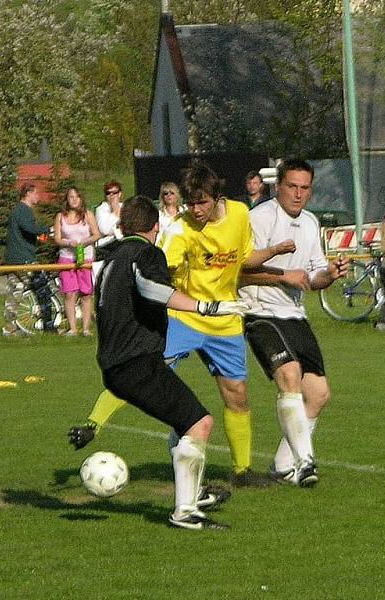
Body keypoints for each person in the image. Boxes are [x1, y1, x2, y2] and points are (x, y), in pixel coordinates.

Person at [69, 162, 295, 487]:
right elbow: (155, 272)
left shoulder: (240, 215)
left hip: (225, 320)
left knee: (237, 396)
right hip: (186, 317)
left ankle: (242, 472)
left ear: (217, 196)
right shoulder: (179, 230)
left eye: (202, 202)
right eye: (190, 203)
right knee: (142, 370)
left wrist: (273, 252)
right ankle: (94, 423)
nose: (196, 209)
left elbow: (244, 258)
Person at [94, 195, 246, 530]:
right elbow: (152, 289)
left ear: (122, 226)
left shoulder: (111, 259)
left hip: (115, 365)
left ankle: (193, 491)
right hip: (137, 363)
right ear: (155, 227)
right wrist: (207, 307)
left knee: (184, 422)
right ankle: (184, 512)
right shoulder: (146, 253)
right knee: (200, 424)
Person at [238, 158, 349, 487]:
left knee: (318, 394)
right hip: (259, 312)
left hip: (295, 315)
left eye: (305, 188)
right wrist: (284, 277)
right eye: (292, 187)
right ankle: (305, 461)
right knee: (289, 375)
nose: (298, 194)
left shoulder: (312, 223)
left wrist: (328, 275)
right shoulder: (259, 218)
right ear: (278, 187)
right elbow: (241, 270)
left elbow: (313, 277)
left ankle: (282, 467)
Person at [2, 183, 54, 336]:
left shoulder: (16, 211)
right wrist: (47, 229)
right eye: (36, 193)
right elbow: (29, 227)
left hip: (12, 260)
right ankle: (48, 324)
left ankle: (10, 328)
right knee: (42, 288)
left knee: (15, 292)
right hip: (24, 259)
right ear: (28, 194)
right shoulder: (24, 210)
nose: (38, 196)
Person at [53, 186, 100, 336]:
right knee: (69, 293)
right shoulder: (60, 216)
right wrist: (68, 243)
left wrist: (84, 241)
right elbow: (57, 239)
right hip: (67, 257)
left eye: (76, 196)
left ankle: (86, 328)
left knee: (86, 293)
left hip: (85, 257)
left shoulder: (88, 215)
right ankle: (73, 328)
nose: (74, 200)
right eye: (71, 197)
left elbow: (96, 234)